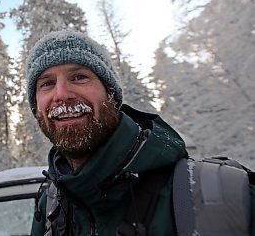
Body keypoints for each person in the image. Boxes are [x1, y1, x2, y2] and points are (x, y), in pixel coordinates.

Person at [26, 30, 254, 236]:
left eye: (79, 77)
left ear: (111, 94)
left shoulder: (225, 195)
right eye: (47, 83)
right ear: (37, 106)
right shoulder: (50, 207)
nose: (62, 94)